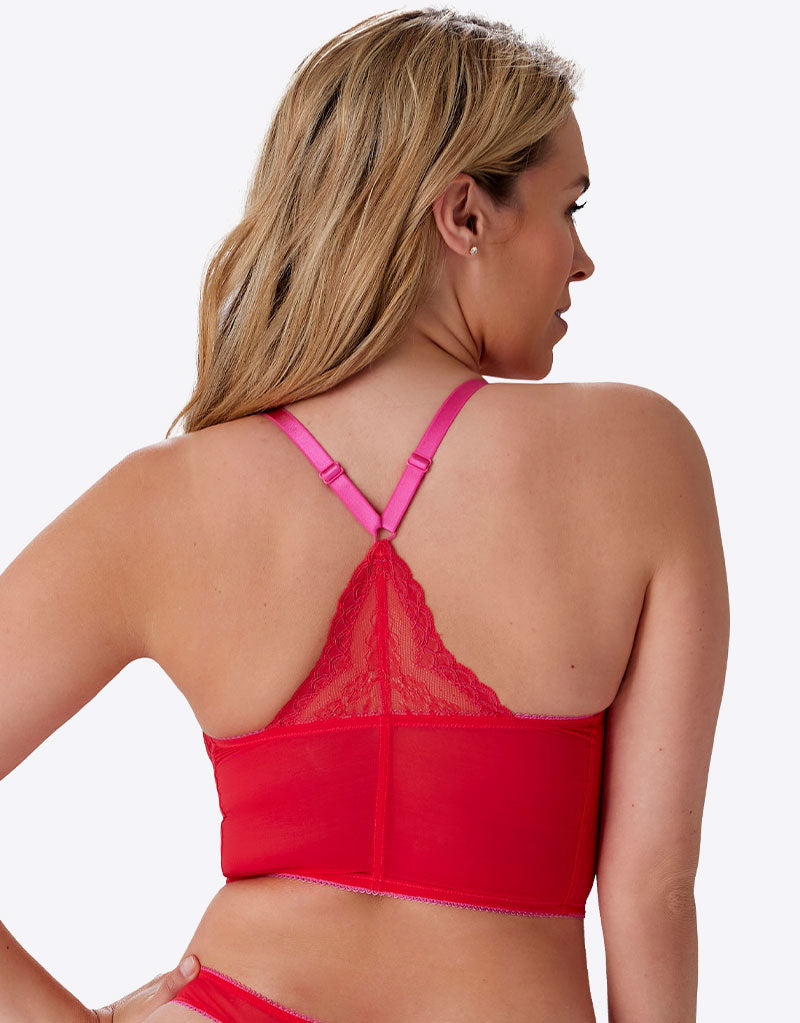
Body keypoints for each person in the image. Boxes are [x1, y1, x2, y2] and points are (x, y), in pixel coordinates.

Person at [0, 7, 729, 1023]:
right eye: (570, 207)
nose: (581, 260)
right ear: (464, 214)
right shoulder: (638, 453)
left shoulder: (164, 497)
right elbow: (650, 891)